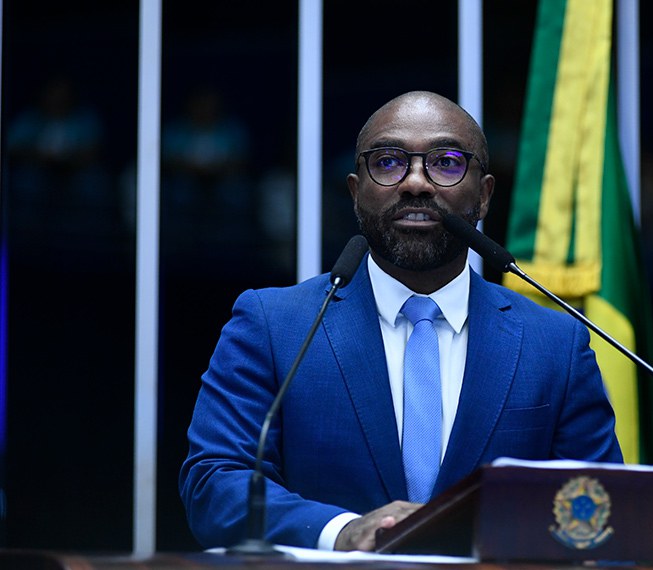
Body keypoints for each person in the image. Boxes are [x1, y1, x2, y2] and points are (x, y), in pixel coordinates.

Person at [179, 91, 623, 552]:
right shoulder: (275, 325)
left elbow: (602, 514)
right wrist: (343, 532)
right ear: (356, 192)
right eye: (389, 162)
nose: (416, 183)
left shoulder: (554, 344)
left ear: (485, 194)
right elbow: (216, 484)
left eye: (446, 162)